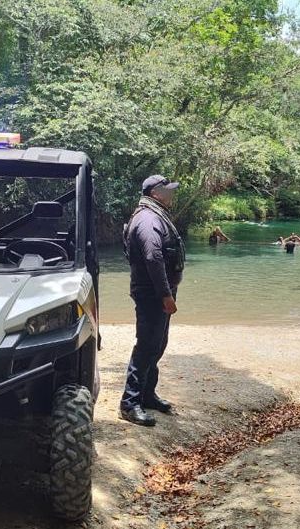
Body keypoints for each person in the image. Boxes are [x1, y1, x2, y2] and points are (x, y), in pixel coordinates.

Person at [120, 174, 185, 427]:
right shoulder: (148, 219)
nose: (172, 194)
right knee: (147, 346)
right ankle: (129, 403)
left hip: (158, 293)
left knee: (157, 345)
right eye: (168, 190)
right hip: (152, 295)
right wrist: (166, 295)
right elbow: (152, 258)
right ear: (155, 193)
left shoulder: (155, 214)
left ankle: (147, 395)